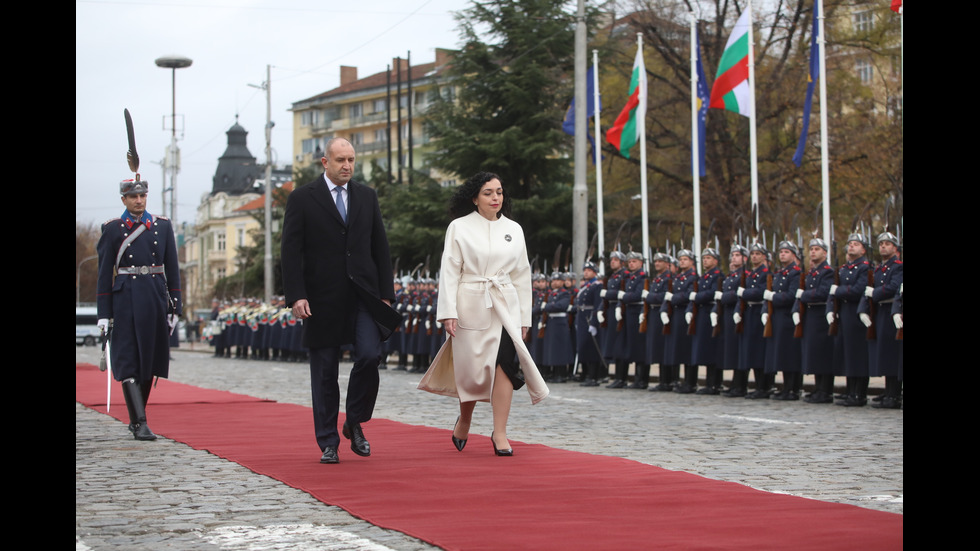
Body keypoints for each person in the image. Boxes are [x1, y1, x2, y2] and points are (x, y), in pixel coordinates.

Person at [280, 138, 396, 464]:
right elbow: (291, 252)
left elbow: (380, 248)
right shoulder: (303, 199)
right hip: (321, 298)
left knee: (370, 355)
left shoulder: (366, 196)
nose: (347, 165)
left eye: (351, 159)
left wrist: (386, 294)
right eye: (341, 159)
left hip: (364, 295)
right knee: (325, 371)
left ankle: (355, 420)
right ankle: (328, 441)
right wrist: (296, 295)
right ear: (325, 162)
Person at [418, 172, 549, 456]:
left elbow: (522, 274)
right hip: (471, 305)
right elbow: (451, 270)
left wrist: (524, 318)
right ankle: (464, 419)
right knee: (473, 370)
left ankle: (500, 432)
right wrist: (448, 312)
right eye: (488, 192)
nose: (495, 198)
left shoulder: (514, 229)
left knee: (504, 365)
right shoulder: (459, 227)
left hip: (505, 306)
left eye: (499, 192)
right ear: (475, 198)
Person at [96, 178, 181, 441]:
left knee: (151, 360)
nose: (139, 200)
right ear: (123, 199)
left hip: (155, 295)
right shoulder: (112, 229)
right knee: (130, 360)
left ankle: (137, 419)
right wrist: (103, 313)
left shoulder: (162, 226)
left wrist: (175, 305)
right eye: (133, 197)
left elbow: (172, 267)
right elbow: (103, 275)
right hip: (126, 298)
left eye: (143, 196)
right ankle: (140, 422)